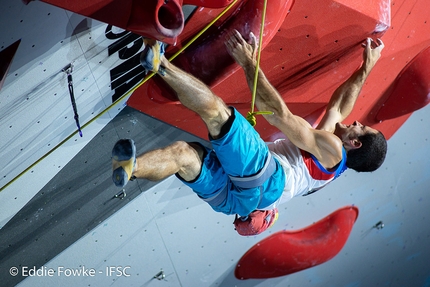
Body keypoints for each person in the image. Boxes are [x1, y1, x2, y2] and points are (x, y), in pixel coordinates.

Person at [111, 31, 387, 236]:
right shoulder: (331, 162)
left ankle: (159, 63)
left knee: (219, 115)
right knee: (183, 155)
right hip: (236, 202)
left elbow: (280, 115)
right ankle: (132, 168)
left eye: (361, 127)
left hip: (265, 181)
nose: (356, 121)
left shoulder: (333, 149)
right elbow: (339, 107)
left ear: (355, 143)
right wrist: (366, 68)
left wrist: (248, 62)